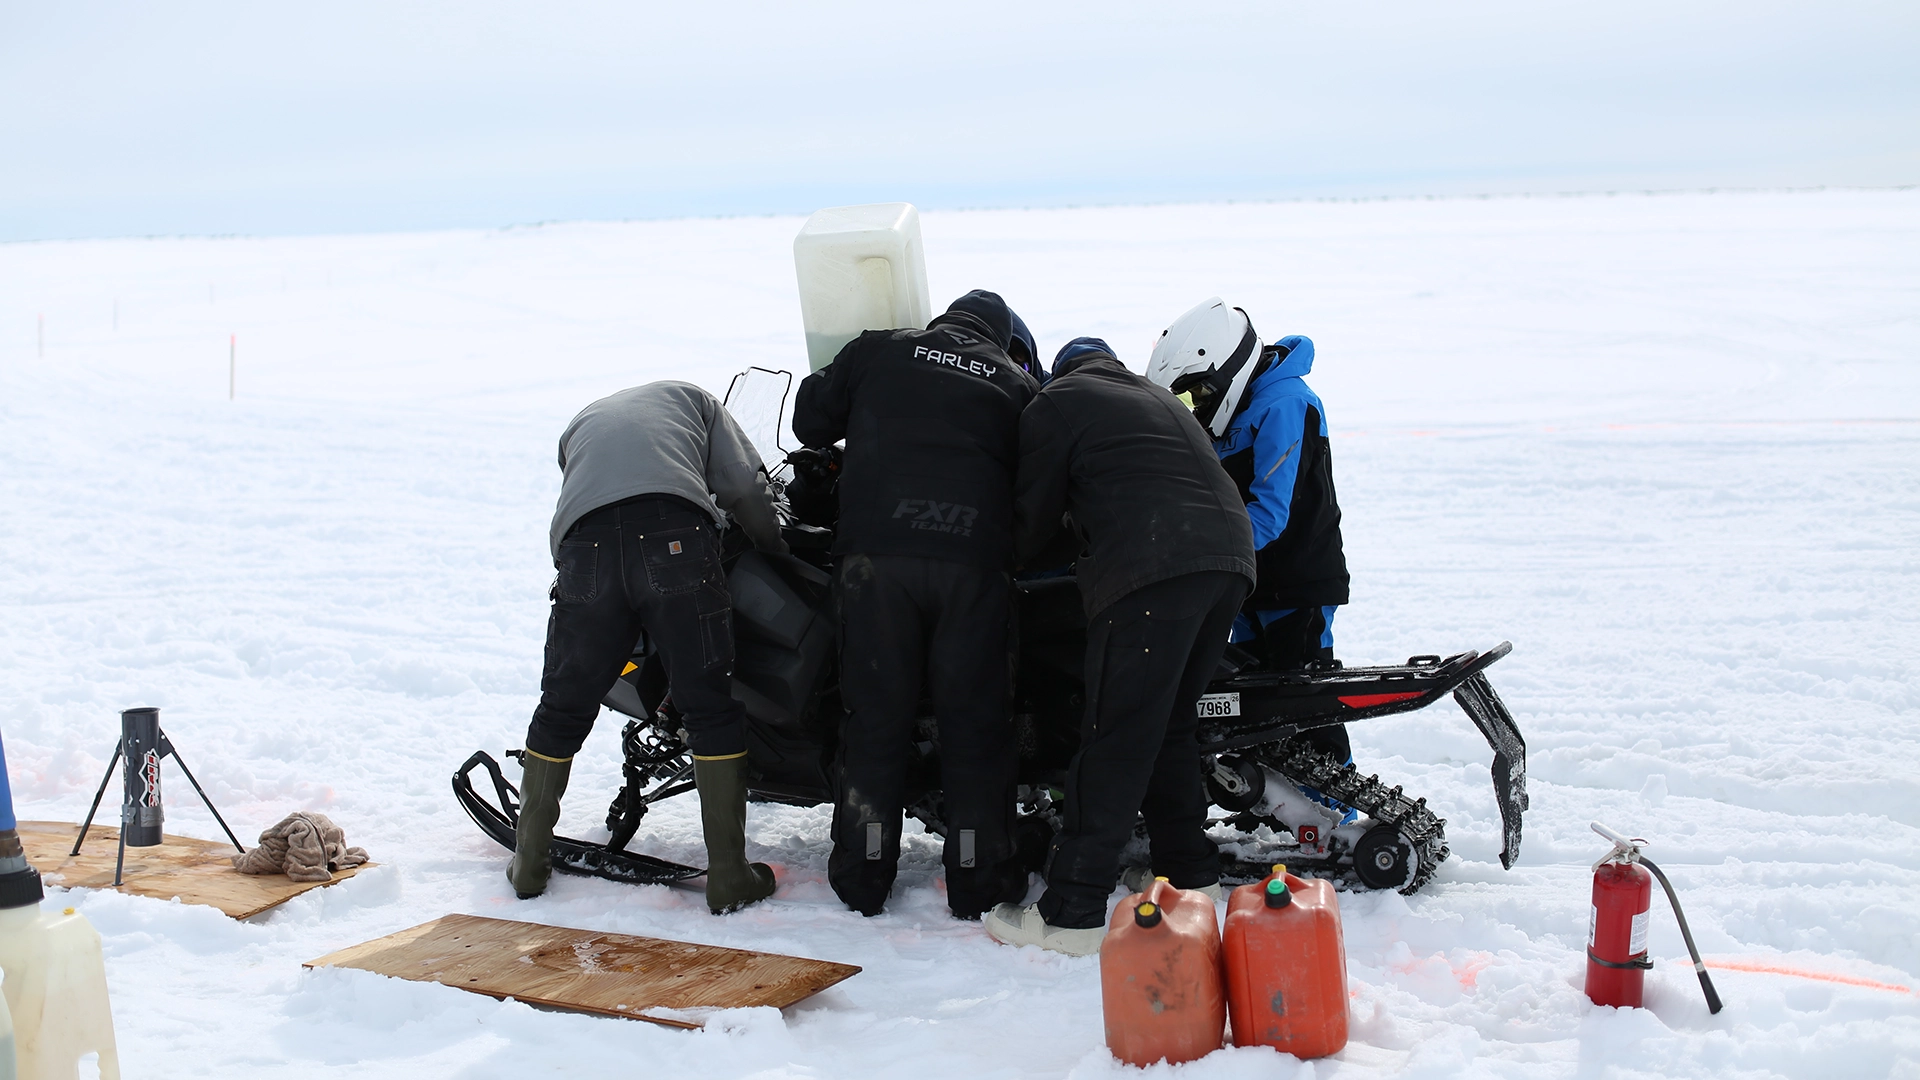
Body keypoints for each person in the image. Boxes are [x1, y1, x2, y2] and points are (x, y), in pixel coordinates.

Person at [985, 337, 1255, 956]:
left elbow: (1034, 516)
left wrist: (999, 560)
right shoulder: (1158, 398)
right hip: (1230, 559)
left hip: (1155, 564)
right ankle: (1190, 873)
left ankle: (1070, 912)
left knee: (1116, 733)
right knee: (1168, 727)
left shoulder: (1056, 401)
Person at [792, 290, 1039, 919]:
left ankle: (864, 873)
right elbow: (1039, 482)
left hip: (877, 564)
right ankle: (978, 880)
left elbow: (809, 422)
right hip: (973, 568)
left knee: (875, 721)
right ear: (1000, 337)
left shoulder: (881, 348)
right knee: (976, 728)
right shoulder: (1014, 383)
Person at [512, 380, 789, 914]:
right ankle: (729, 875)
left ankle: (528, 865)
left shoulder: (582, 420)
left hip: (583, 552)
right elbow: (741, 484)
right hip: (675, 540)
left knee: (564, 703)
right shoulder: (697, 401)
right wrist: (772, 542)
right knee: (707, 704)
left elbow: (584, 496)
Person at [1144, 298, 1355, 776]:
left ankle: (1332, 800)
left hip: (1298, 580)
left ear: (1223, 371)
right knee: (1253, 700)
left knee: (1304, 696)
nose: (1195, 406)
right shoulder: (1236, 410)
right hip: (1253, 582)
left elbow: (1271, 512)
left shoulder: (1285, 403)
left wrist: (1201, 558)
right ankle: (1274, 794)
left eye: (1196, 393)